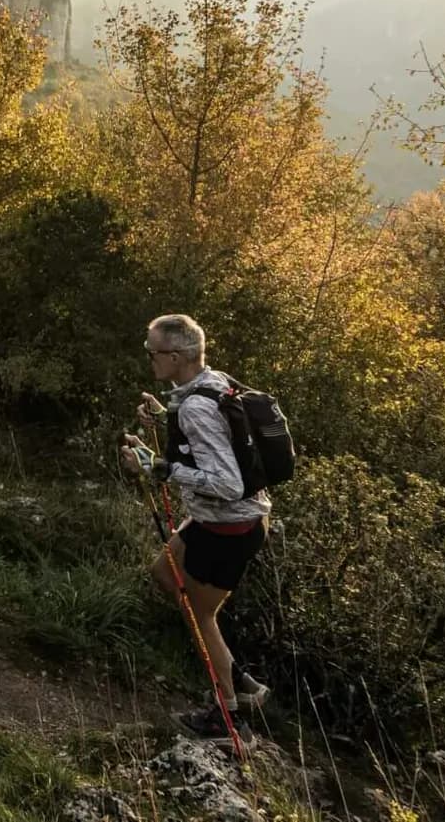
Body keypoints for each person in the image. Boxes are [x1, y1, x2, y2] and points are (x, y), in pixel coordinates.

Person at [120, 313, 272, 740]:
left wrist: (160, 468)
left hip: (229, 527)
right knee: (164, 573)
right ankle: (241, 680)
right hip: (221, 519)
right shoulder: (211, 382)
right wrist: (162, 419)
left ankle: (228, 716)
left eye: (152, 352)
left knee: (200, 614)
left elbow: (227, 483)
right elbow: (213, 440)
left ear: (175, 356)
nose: (148, 358)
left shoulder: (197, 407)